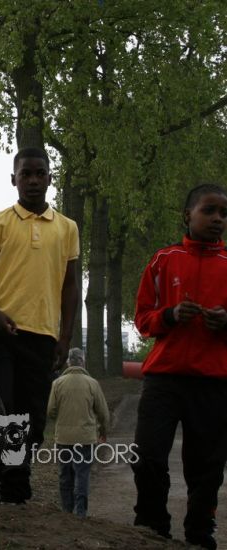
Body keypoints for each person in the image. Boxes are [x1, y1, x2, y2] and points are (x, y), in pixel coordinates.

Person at [0, 147, 80, 504]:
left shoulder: (67, 228)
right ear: (13, 179)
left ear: (50, 178)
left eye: (39, 174)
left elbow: (70, 287)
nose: (32, 180)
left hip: (42, 335)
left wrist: (64, 338)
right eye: (25, 174)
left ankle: (15, 485)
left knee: (28, 415)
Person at [131, 183, 227, 549]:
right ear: (188, 215)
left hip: (214, 382)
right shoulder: (163, 260)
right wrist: (169, 315)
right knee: (148, 455)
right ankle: (152, 526)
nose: (218, 219)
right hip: (164, 379)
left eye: (224, 214)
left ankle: (200, 533)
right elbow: (142, 319)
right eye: (209, 211)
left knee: (207, 467)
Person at [46, 347, 109, 518]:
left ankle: (66, 510)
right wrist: (103, 430)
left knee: (65, 474)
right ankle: (80, 512)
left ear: (68, 362)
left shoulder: (58, 383)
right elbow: (103, 413)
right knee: (82, 474)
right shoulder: (92, 383)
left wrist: (62, 419)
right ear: (83, 362)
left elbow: (51, 410)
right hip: (86, 439)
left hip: (64, 438)